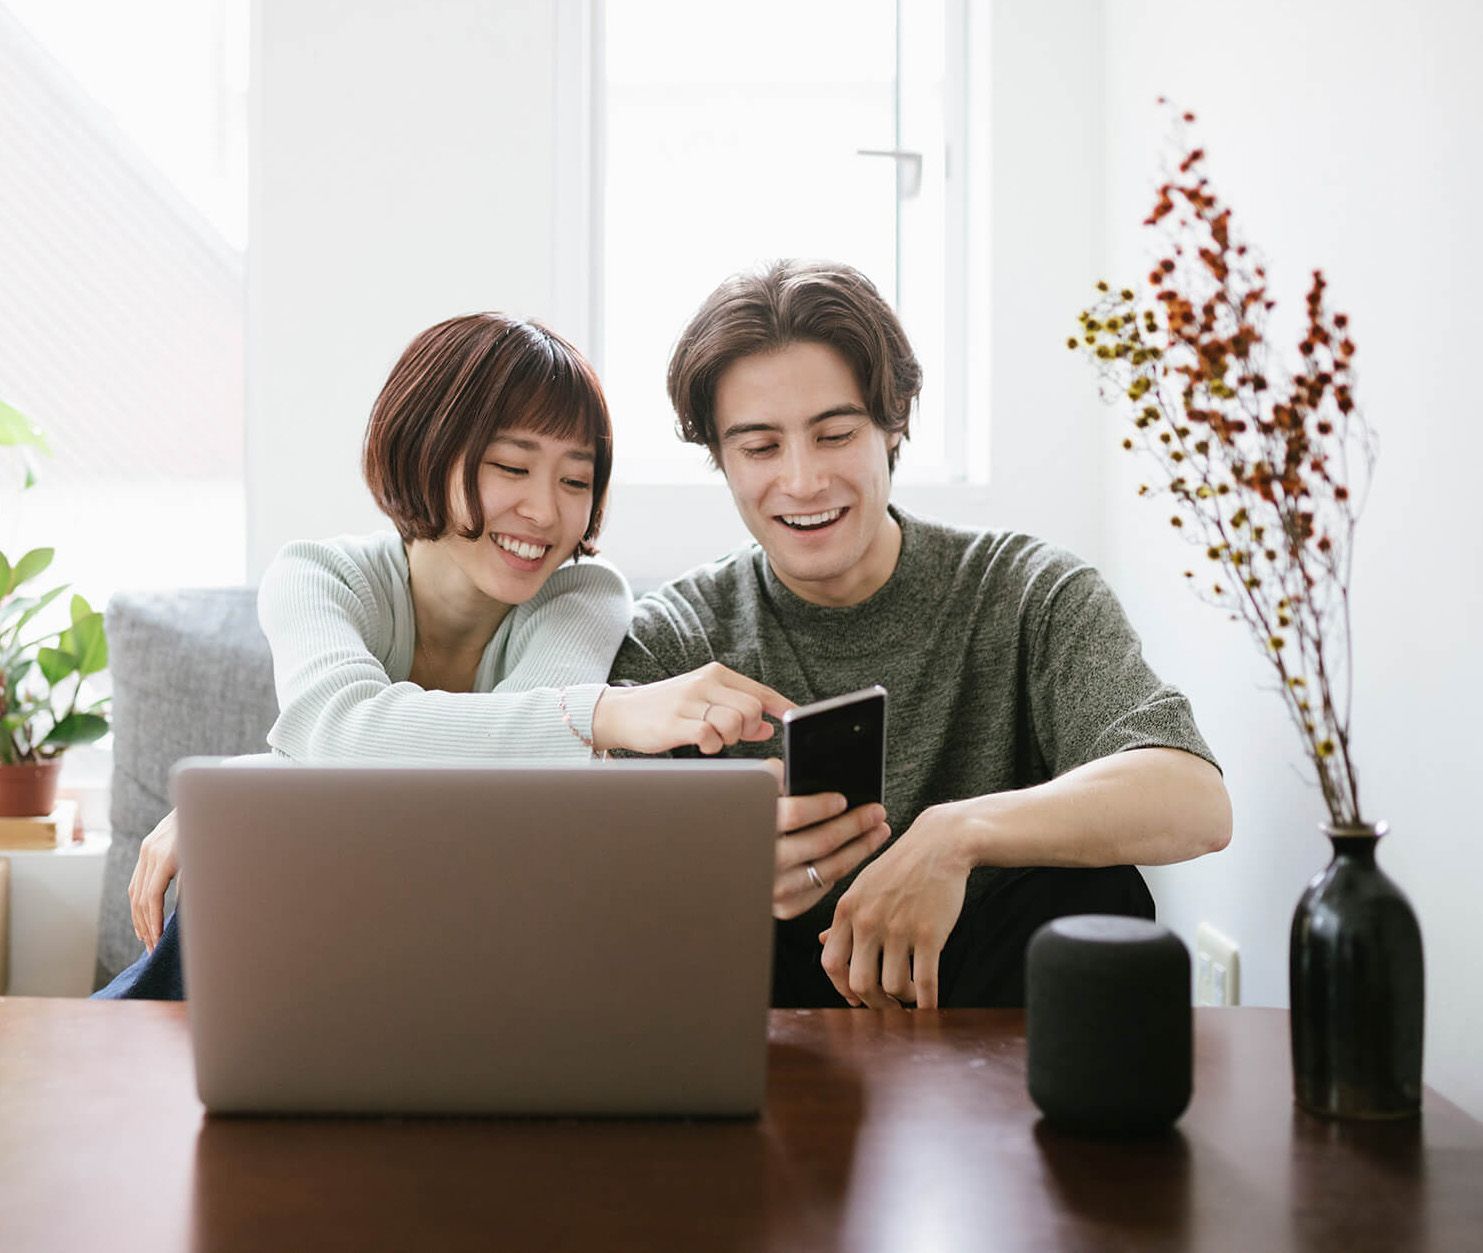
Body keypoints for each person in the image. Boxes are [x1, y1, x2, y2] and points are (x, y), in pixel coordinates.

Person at [101, 311, 852, 998]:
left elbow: (499, 793)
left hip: (472, 960)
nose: (545, 510)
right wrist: (609, 714)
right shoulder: (319, 576)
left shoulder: (582, 594)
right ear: (426, 448)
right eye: (510, 467)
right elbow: (340, 728)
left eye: (575, 480)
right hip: (317, 952)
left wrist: (250, 791)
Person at [608, 260, 1233, 1011]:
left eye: (834, 433)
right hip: (768, 1020)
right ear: (720, 456)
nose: (802, 481)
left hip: (980, 999)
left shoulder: (1026, 590)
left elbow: (1193, 800)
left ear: (893, 420)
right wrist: (718, 865)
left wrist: (955, 834)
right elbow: (585, 869)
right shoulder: (676, 635)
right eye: (760, 448)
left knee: (1097, 894)